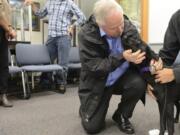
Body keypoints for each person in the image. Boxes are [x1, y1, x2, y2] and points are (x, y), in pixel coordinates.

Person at [78, 0, 162, 134]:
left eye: (121, 23)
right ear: (101, 24)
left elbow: (142, 47)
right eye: (114, 27)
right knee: (92, 128)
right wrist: (122, 56)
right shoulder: (86, 34)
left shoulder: (127, 26)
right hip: (98, 82)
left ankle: (122, 115)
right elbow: (94, 68)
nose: (120, 30)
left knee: (138, 83)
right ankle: (86, 108)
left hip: (121, 77)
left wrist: (155, 60)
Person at [24, 0, 86, 93]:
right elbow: (40, 14)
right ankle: (46, 82)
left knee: (63, 63)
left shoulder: (69, 3)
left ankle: (61, 83)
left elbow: (82, 18)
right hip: (51, 36)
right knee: (47, 61)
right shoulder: (50, 2)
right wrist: (32, 4)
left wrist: (72, 26)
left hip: (64, 36)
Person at [0, 0, 16, 107]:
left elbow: (6, 15)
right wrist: (9, 29)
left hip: (2, 32)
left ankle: (2, 95)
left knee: (3, 66)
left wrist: (8, 29)